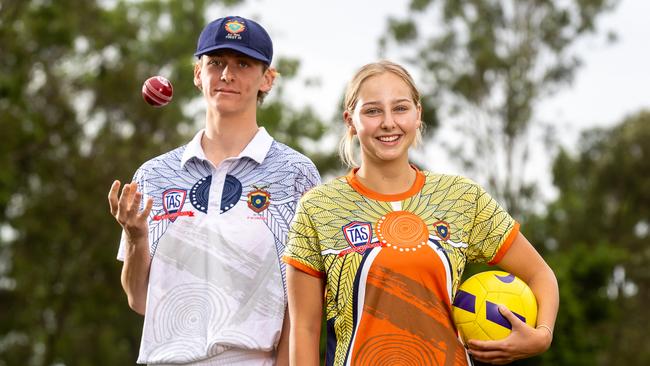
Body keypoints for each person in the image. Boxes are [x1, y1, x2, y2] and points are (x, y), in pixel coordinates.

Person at [283, 60, 559, 366]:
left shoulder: (461, 196)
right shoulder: (319, 206)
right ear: (350, 121)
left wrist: (542, 335)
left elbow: (540, 275)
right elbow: (305, 330)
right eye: (373, 111)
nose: (388, 122)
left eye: (400, 108)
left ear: (418, 115)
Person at [108, 15, 320, 365]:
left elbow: (302, 305)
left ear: (267, 79)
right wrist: (135, 237)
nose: (227, 74)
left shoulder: (295, 173)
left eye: (243, 63)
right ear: (197, 74)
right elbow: (140, 300)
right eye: (216, 62)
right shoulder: (155, 174)